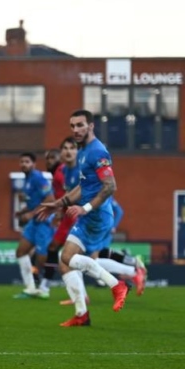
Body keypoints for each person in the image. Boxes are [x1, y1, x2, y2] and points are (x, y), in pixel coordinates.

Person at [37, 109, 129, 327]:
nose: (76, 130)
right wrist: (58, 204)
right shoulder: (84, 151)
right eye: (72, 126)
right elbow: (82, 186)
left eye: (80, 125)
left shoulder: (97, 152)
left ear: (91, 126)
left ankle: (118, 285)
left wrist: (85, 208)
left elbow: (110, 186)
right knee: (65, 262)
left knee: (68, 259)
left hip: (97, 216)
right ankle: (82, 314)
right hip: (88, 215)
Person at [13, 152, 55, 299]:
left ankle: (45, 287)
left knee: (42, 260)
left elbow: (50, 198)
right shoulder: (27, 180)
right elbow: (34, 202)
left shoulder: (38, 177)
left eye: (27, 162)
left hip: (44, 222)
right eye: (22, 162)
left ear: (34, 164)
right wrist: (23, 211)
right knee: (20, 252)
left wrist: (31, 214)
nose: (24, 164)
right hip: (34, 222)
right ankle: (30, 288)